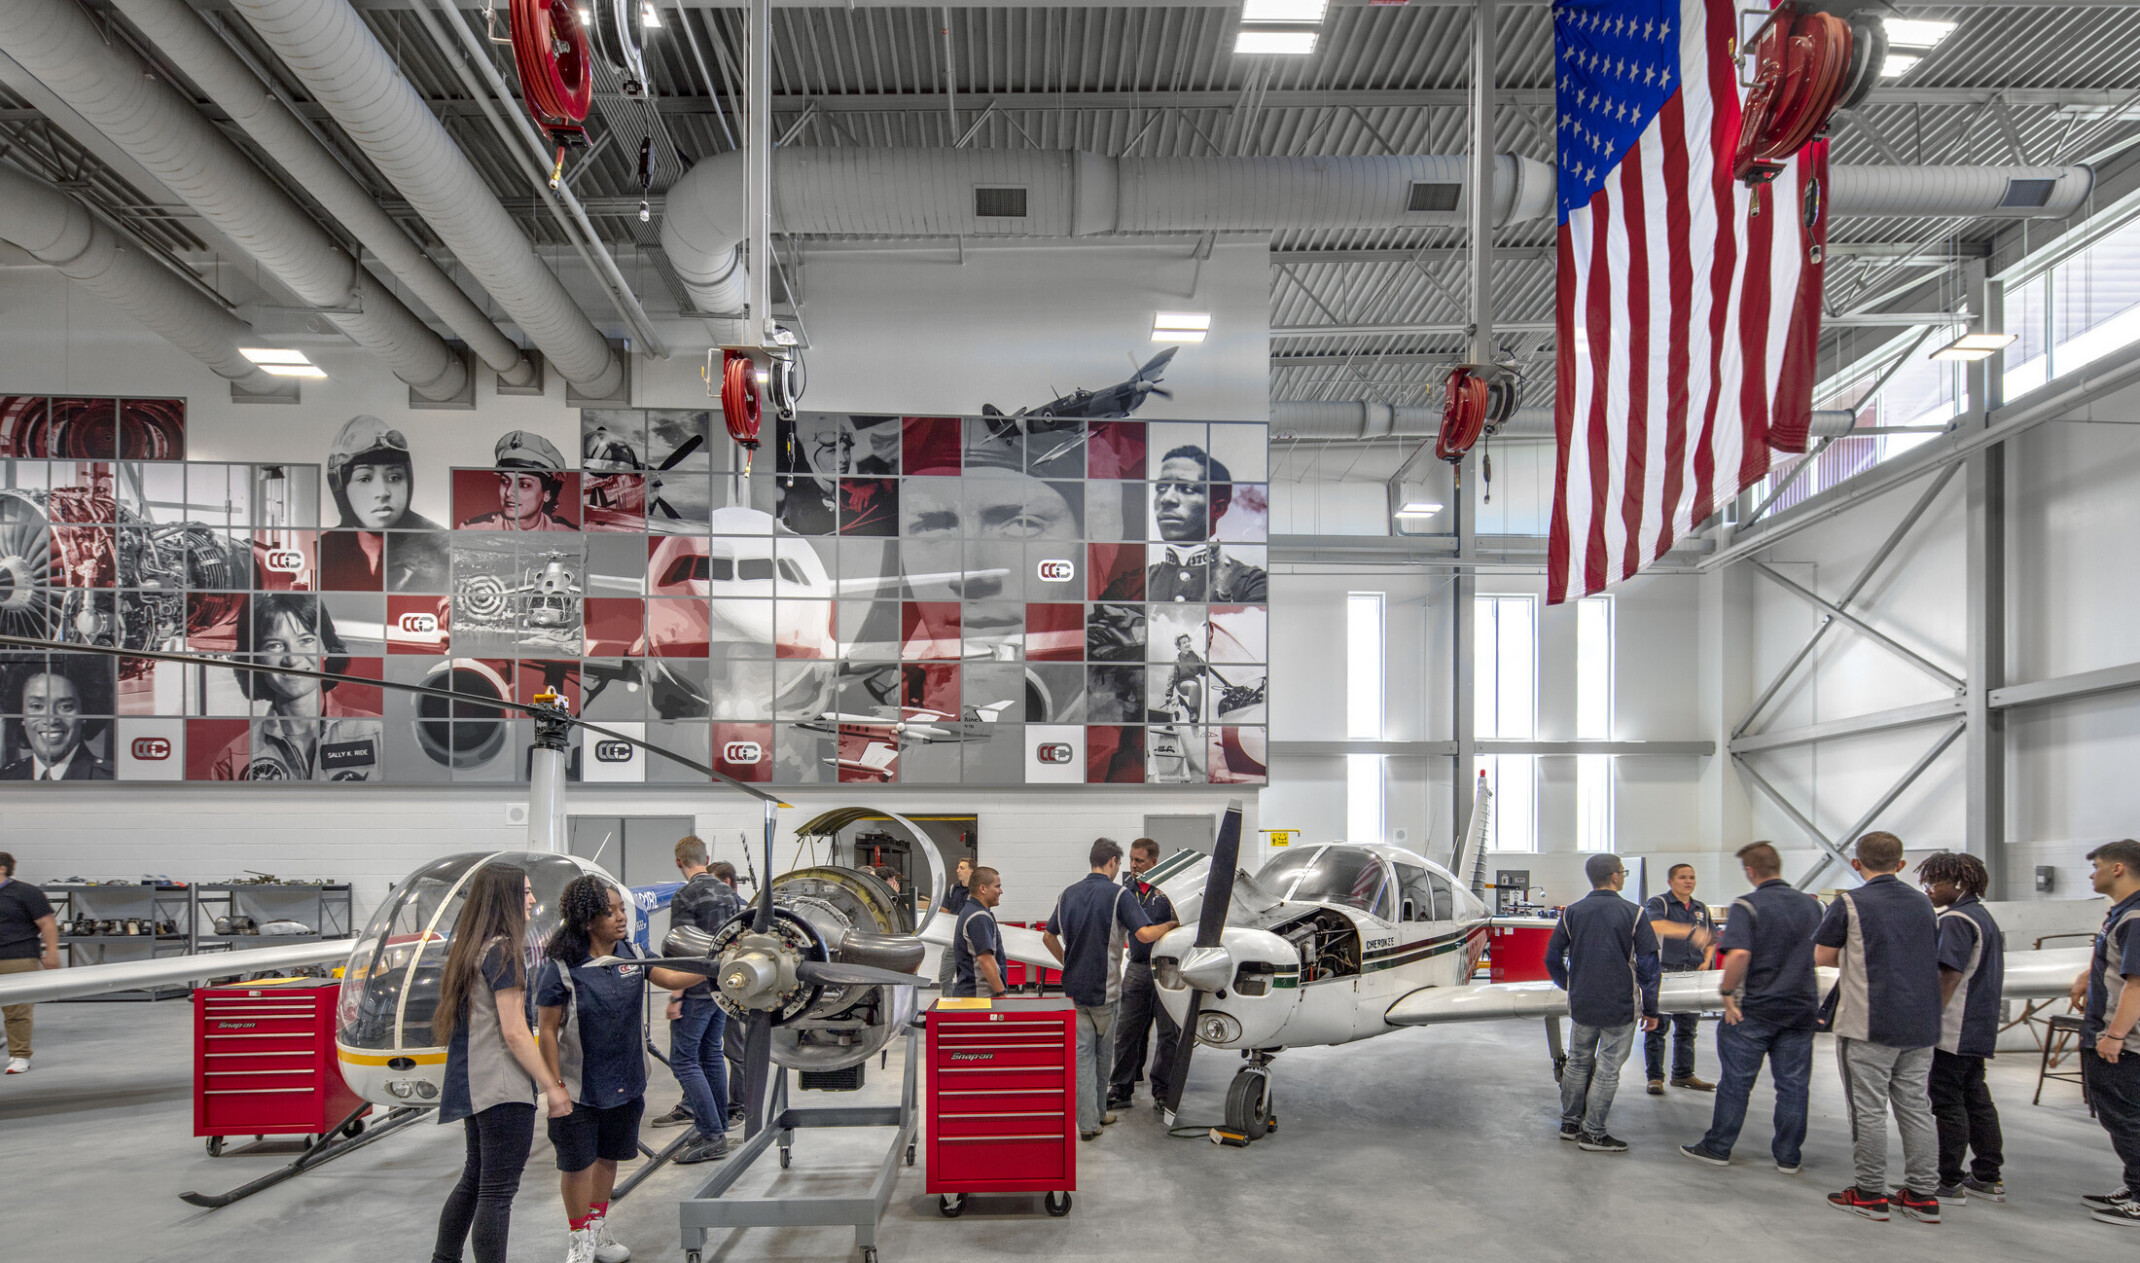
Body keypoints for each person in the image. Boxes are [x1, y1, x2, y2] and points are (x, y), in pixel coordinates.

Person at [536, 876, 700, 1263]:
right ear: (587, 919)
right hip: (579, 1086)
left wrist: (718, 967)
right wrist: (554, 1085)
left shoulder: (632, 952)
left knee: (608, 1157)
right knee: (578, 1165)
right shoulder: (562, 968)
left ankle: (597, 1229)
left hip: (626, 1079)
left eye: (622, 909)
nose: (620, 917)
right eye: (609, 912)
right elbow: (545, 1030)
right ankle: (579, 1242)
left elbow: (672, 976)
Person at [429, 864, 570, 1263]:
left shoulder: (473, 946)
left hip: (476, 1085)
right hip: (502, 1088)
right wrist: (552, 1087)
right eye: (525, 892)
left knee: (475, 1181)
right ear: (505, 898)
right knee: (497, 1192)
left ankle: (444, 1258)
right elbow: (515, 1031)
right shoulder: (505, 950)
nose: (532, 900)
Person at [1814, 831, 1943, 1223]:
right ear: (1901, 865)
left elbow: (1823, 956)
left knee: (1868, 1110)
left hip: (1869, 1023)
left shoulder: (1849, 902)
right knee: (1917, 1108)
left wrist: (1859, 963)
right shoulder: (1924, 904)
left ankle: (1870, 1192)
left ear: (1856, 864)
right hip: (1920, 1024)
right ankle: (1923, 1195)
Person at [1678, 842, 1823, 1173]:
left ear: (1751, 872)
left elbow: (1739, 954)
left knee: (1736, 1083)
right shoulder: (1812, 907)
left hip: (1755, 1009)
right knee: (1794, 1085)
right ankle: (1788, 1157)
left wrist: (1727, 991)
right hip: (1800, 1009)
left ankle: (1717, 1147)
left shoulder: (1747, 905)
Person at [1042, 838, 1179, 1141]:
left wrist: (1068, 963)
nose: (1128, 867)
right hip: (1106, 992)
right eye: (1125, 861)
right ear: (1113, 862)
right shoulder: (1119, 894)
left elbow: (1048, 938)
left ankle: (1093, 1117)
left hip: (1075, 992)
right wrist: (1170, 925)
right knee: (1102, 1056)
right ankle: (1094, 1119)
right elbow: (1143, 934)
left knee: (1082, 1057)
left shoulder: (1067, 894)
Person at [1545, 852, 1660, 1153]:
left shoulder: (1572, 912)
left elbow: (1551, 957)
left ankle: (1569, 1124)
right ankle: (1594, 1132)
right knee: (1608, 1068)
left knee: (1578, 1061)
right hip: (1619, 1004)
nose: (1623, 876)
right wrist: (1651, 1007)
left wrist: (1569, 984)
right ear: (1614, 876)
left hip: (1582, 1001)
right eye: (1622, 872)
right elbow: (1649, 965)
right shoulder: (1634, 913)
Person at [209, 594, 382, 781]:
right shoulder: (233, 759)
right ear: (254, 659)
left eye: (306, 640)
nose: (292, 659)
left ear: (326, 649)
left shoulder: (379, 732)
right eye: (274, 645)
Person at [1917, 851, 2006, 1203]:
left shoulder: (1956, 920)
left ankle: (1948, 1179)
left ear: (1958, 883)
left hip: (1953, 1028)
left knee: (1947, 1103)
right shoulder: (1982, 917)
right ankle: (1987, 1174)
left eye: (1934, 881)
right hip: (1978, 1027)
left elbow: (1948, 975)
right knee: (1977, 1101)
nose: (1928, 888)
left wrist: (1929, 1018)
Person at [649, 839, 742, 1164]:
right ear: (707, 858)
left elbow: (681, 950)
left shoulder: (685, 896)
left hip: (696, 988)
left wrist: (676, 995)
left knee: (685, 1060)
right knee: (711, 1053)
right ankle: (716, 1125)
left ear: (679, 862)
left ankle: (711, 1134)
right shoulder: (729, 893)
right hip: (723, 988)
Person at [2070, 838, 2140, 1228]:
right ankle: (2134, 1184)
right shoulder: (2122, 913)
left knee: (2127, 1118)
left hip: (2125, 1041)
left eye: (2096, 865)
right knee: (2121, 1117)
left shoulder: (2135, 917)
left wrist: (2114, 1036)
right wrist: (2086, 975)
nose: (2092, 873)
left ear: (2118, 868)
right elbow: (2117, 960)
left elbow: (2137, 984)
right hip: (2113, 1031)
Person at [319, 414, 450, 591]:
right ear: (340, 486)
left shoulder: (444, 549)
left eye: (394, 477)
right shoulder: (325, 549)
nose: (382, 492)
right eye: (365, 479)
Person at [1142, 445, 1267, 604]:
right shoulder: (1133, 584)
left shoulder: (1251, 584)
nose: (1167, 498)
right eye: (1161, 488)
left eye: (1187, 489)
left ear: (1219, 508)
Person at [1110, 838, 1181, 1111]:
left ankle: (1163, 1092)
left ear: (1154, 861)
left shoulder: (1169, 891)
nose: (1133, 865)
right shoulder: (1126, 891)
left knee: (1168, 1034)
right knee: (1126, 1030)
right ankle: (1121, 1089)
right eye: (1131, 859)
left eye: (1139, 860)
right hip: (1137, 968)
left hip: (1168, 969)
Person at [1643, 864, 1716, 1094]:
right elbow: (1655, 924)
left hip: (1693, 973)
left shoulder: (1701, 908)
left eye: (1692, 877)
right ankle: (1655, 1078)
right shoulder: (1659, 903)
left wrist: (1707, 959)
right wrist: (1690, 932)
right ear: (1670, 881)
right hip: (1665, 974)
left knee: (1687, 1030)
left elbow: (1711, 937)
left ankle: (1683, 1074)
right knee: (1657, 1028)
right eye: (1683, 877)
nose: (1688, 881)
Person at [0, 659, 114, 780]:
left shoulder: (110, 779)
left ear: (85, 713)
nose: (51, 720)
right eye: (37, 706)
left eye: (65, 707)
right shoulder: (6, 777)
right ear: (21, 714)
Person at [0, 851, 60, 1074]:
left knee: (17, 1009)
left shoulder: (25, 892)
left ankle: (19, 1055)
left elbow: (47, 923)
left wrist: (52, 952)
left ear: (2, 868)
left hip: (18, 956)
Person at [462, 432, 572, 531]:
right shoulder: (471, 529)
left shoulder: (567, 532)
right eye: (505, 481)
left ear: (547, 494)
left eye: (524, 485)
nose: (508, 492)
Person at [950, 867, 1007, 999]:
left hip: (970, 994)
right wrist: (1001, 993)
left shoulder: (970, 910)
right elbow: (985, 959)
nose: (1001, 891)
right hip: (979, 997)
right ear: (983, 889)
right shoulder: (978, 916)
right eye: (997, 887)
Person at [934, 857, 975, 990]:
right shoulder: (953, 889)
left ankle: (969, 1007)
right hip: (953, 939)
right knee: (945, 976)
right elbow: (944, 911)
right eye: (958, 867)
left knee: (969, 977)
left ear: (972, 871)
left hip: (972, 941)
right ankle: (950, 1006)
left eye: (962, 868)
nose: (958, 870)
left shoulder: (978, 891)